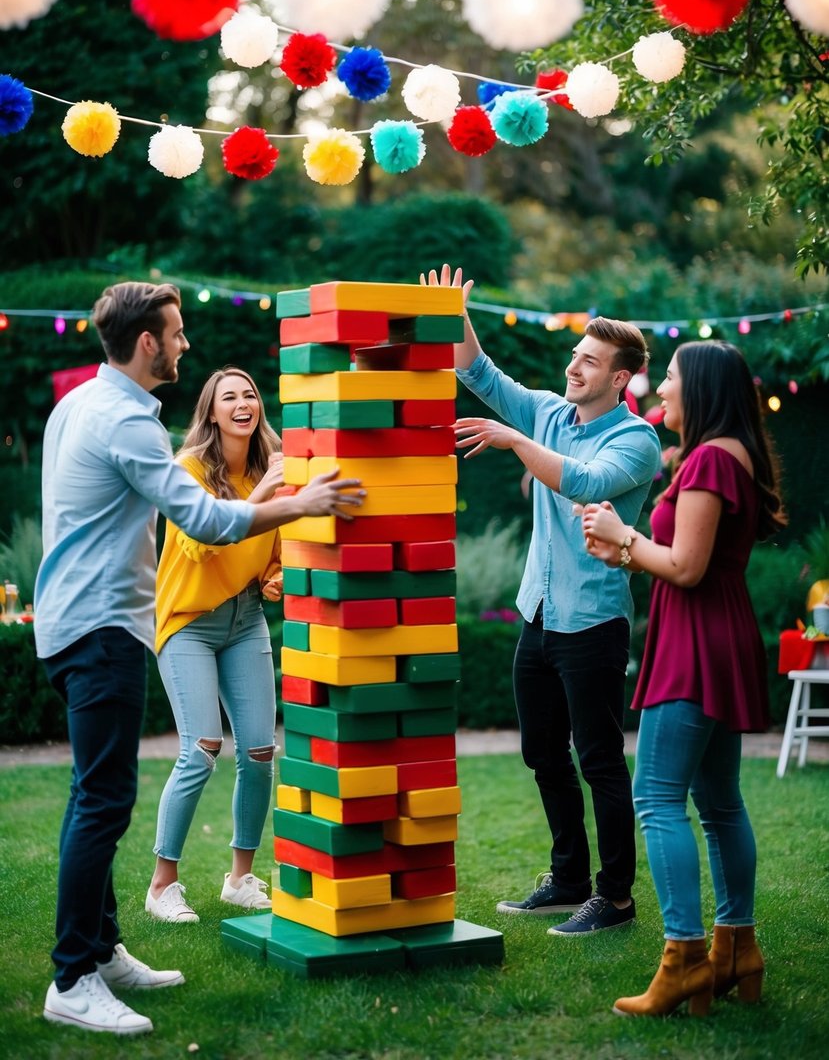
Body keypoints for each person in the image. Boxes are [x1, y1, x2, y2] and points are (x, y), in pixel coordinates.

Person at [35, 282, 363, 1037]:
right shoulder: (126, 423)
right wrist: (297, 506)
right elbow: (206, 521)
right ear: (147, 342)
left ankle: (103, 947)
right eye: (177, 334)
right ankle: (73, 977)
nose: (184, 345)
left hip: (76, 622)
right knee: (102, 803)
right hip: (101, 628)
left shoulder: (78, 405)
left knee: (96, 795)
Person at [421, 264, 662, 936]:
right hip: (538, 617)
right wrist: (454, 316)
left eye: (588, 361)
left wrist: (514, 440)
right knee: (542, 755)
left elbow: (586, 483)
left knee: (599, 761)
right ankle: (567, 880)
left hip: (591, 622)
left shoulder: (635, 440)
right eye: (575, 355)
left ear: (619, 378)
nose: (573, 366)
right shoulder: (549, 411)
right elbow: (480, 374)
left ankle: (614, 898)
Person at [581, 340, 785, 1016]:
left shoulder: (707, 459)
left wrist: (623, 535)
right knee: (719, 801)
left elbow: (688, 567)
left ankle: (684, 958)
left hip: (694, 645)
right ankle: (736, 950)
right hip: (717, 634)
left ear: (697, 387)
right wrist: (626, 552)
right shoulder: (731, 455)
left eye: (665, 377)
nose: (657, 387)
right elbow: (684, 559)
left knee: (656, 797)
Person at [145, 368, 288, 924]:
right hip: (188, 624)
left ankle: (240, 877)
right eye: (229, 396)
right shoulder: (188, 472)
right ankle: (163, 885)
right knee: (201, 748)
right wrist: (261, 495)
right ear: (210, 413)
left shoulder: (269, 467)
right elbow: (205, 543)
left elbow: (274, 546)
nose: (243, 402)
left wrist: (276, 576)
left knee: (257, 751)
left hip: (245, 620)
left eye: (249, 393)